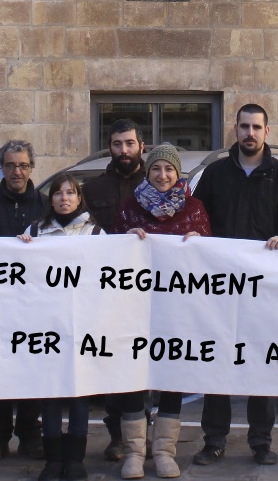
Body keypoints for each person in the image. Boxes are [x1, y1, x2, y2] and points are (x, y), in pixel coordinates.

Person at [191, 104, 278, 467]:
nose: (250, 133)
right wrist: (195, 235)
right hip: (220, 289)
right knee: (218, 363)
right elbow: (198, 217)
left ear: (266, 132)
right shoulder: (215, 174)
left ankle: (261, 441)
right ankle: (214, 440)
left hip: (265, 290)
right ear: (235, 130)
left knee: (261, 364)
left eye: (256, 127)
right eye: (244, 126)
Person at [113, 144, 212, 479]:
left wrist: (200, 241)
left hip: (177, 311)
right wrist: (124, 240)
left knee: (171, 376)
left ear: (177, 172)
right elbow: (108, 255)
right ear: (148, 171)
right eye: (157, 169)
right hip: (135, 310)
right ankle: (134, 453)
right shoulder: (129, 209)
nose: (163, 175)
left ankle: (164, 451)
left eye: (169, 169)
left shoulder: (195, 209)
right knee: (134, 378)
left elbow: (210, 257)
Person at [18, 173, 105, 481]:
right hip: (46, 326)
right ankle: (53, 458)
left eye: (70, 193)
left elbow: (106, 277)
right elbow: (19, 275)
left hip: (82, 326)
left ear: (79, 198)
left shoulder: (96, 233)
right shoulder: (35, 231)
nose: (64, 198)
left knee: (80, 393)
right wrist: (20, 247)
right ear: (50, 198)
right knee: (51, 392)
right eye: (58, 193)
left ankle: (75, 458)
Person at [0, 140, 49, 464]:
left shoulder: (46, 205)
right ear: (1, 168)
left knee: (33, 370)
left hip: (36, 302)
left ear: (31, 167)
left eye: (22, 165)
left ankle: (30, 436)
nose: (16, 171)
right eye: (10, 165)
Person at [82, 118, 148, 459]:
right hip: (105, 296)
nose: (124, 150)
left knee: (144, 365)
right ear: (109, 146)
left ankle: (144, 434)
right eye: (118, 144)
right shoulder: (93, 189)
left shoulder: (158, 183)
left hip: (147, 295)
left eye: (130, 143)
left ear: (142, 146)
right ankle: (116, 437)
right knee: (110, 364)